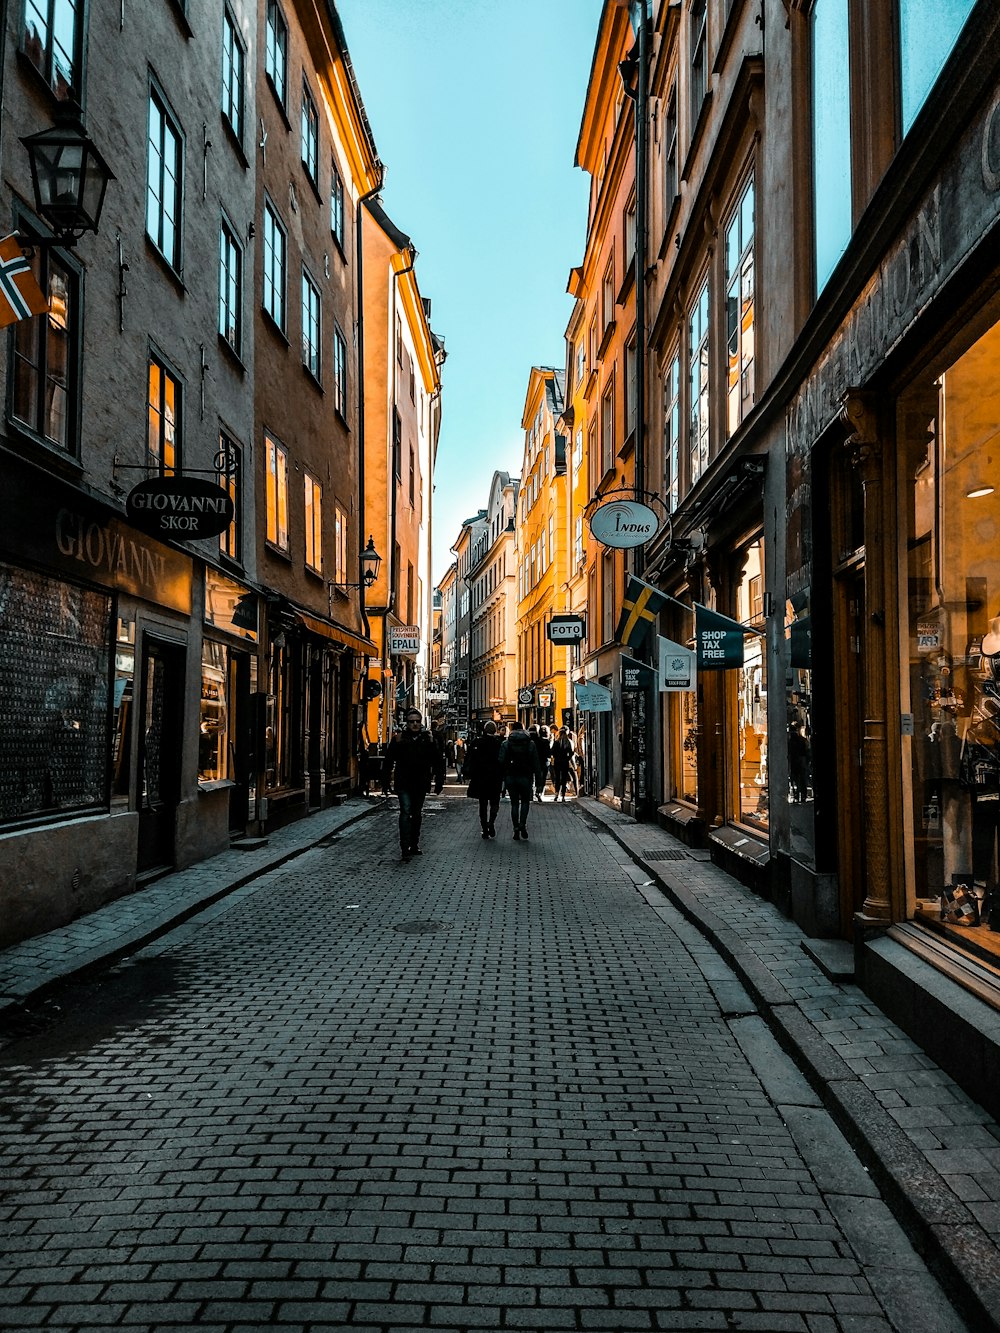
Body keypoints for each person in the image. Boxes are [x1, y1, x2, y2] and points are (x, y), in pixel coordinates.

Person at [385, 708, 445, 860]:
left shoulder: (428, 739)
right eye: (412, 722)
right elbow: (388, 761)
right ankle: (405, 847)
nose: (415, 724)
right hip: (404, 782)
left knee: (417, 814)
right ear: (407, 723)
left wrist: (439, 782)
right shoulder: (399, 739)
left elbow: (437, 761)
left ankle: (414, 844)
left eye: (417, 721)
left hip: (420, 782)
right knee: (405, 812)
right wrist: (385, 782)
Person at [500, 721, 542, 840]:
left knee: (514, 803)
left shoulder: (506, 743)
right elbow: (536, 764)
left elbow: (501, 761)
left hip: (511, 776)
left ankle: (515, 828)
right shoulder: (530, 743)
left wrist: (502, 778)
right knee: (524, 802)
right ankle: (522, 824)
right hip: (526, 776)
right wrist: (539, 782)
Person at [464, 720, 504, 838]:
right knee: (494, 802)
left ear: (484, 730)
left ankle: (484, 828)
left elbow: (470, 758)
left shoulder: (477, 742)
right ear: (495, 730)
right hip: (495, 778)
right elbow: (502, 760)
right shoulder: (499, 743)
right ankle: (491, 823)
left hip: (480, 778)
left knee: (483, 804)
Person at [551, 727, 577, 801]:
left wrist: (556, 757)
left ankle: (556, 794)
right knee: (564, 779)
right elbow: (571, 752)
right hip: (565, 762)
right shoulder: (568, 742)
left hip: (557, 762)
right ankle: (563, 796)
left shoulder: (556, 742)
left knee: (557, 778)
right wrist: (567, 758)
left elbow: (552, 752)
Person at [530, 724, 552, 802]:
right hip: (543, 762)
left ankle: (531, 793)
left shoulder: (531, 741)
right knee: (541, 779)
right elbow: (549, 753)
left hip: (532, 762)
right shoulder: (545, 741)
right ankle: (539, 792)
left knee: (532, 778)